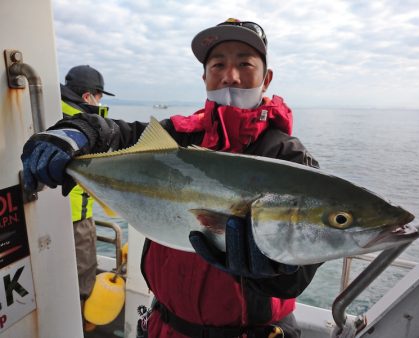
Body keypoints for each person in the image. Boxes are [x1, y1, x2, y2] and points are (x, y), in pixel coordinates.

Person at [21, 19, 322, 337]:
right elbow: (120, 135)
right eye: (218, 64)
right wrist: (79, 130)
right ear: (204, 77)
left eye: (245, 64)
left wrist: (275, 271)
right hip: (163, 326)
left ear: (266, 78)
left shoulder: (289, 159)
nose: (230, 76)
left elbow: (299, 274)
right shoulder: (178, 134)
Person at [60, 65, 115, 331]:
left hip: (48, 216)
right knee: (83, 273)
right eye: (99, 96)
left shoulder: (49, 111)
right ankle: (79, 326)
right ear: (87, 97)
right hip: (75, 217)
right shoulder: (86, 125)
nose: (100, 102)